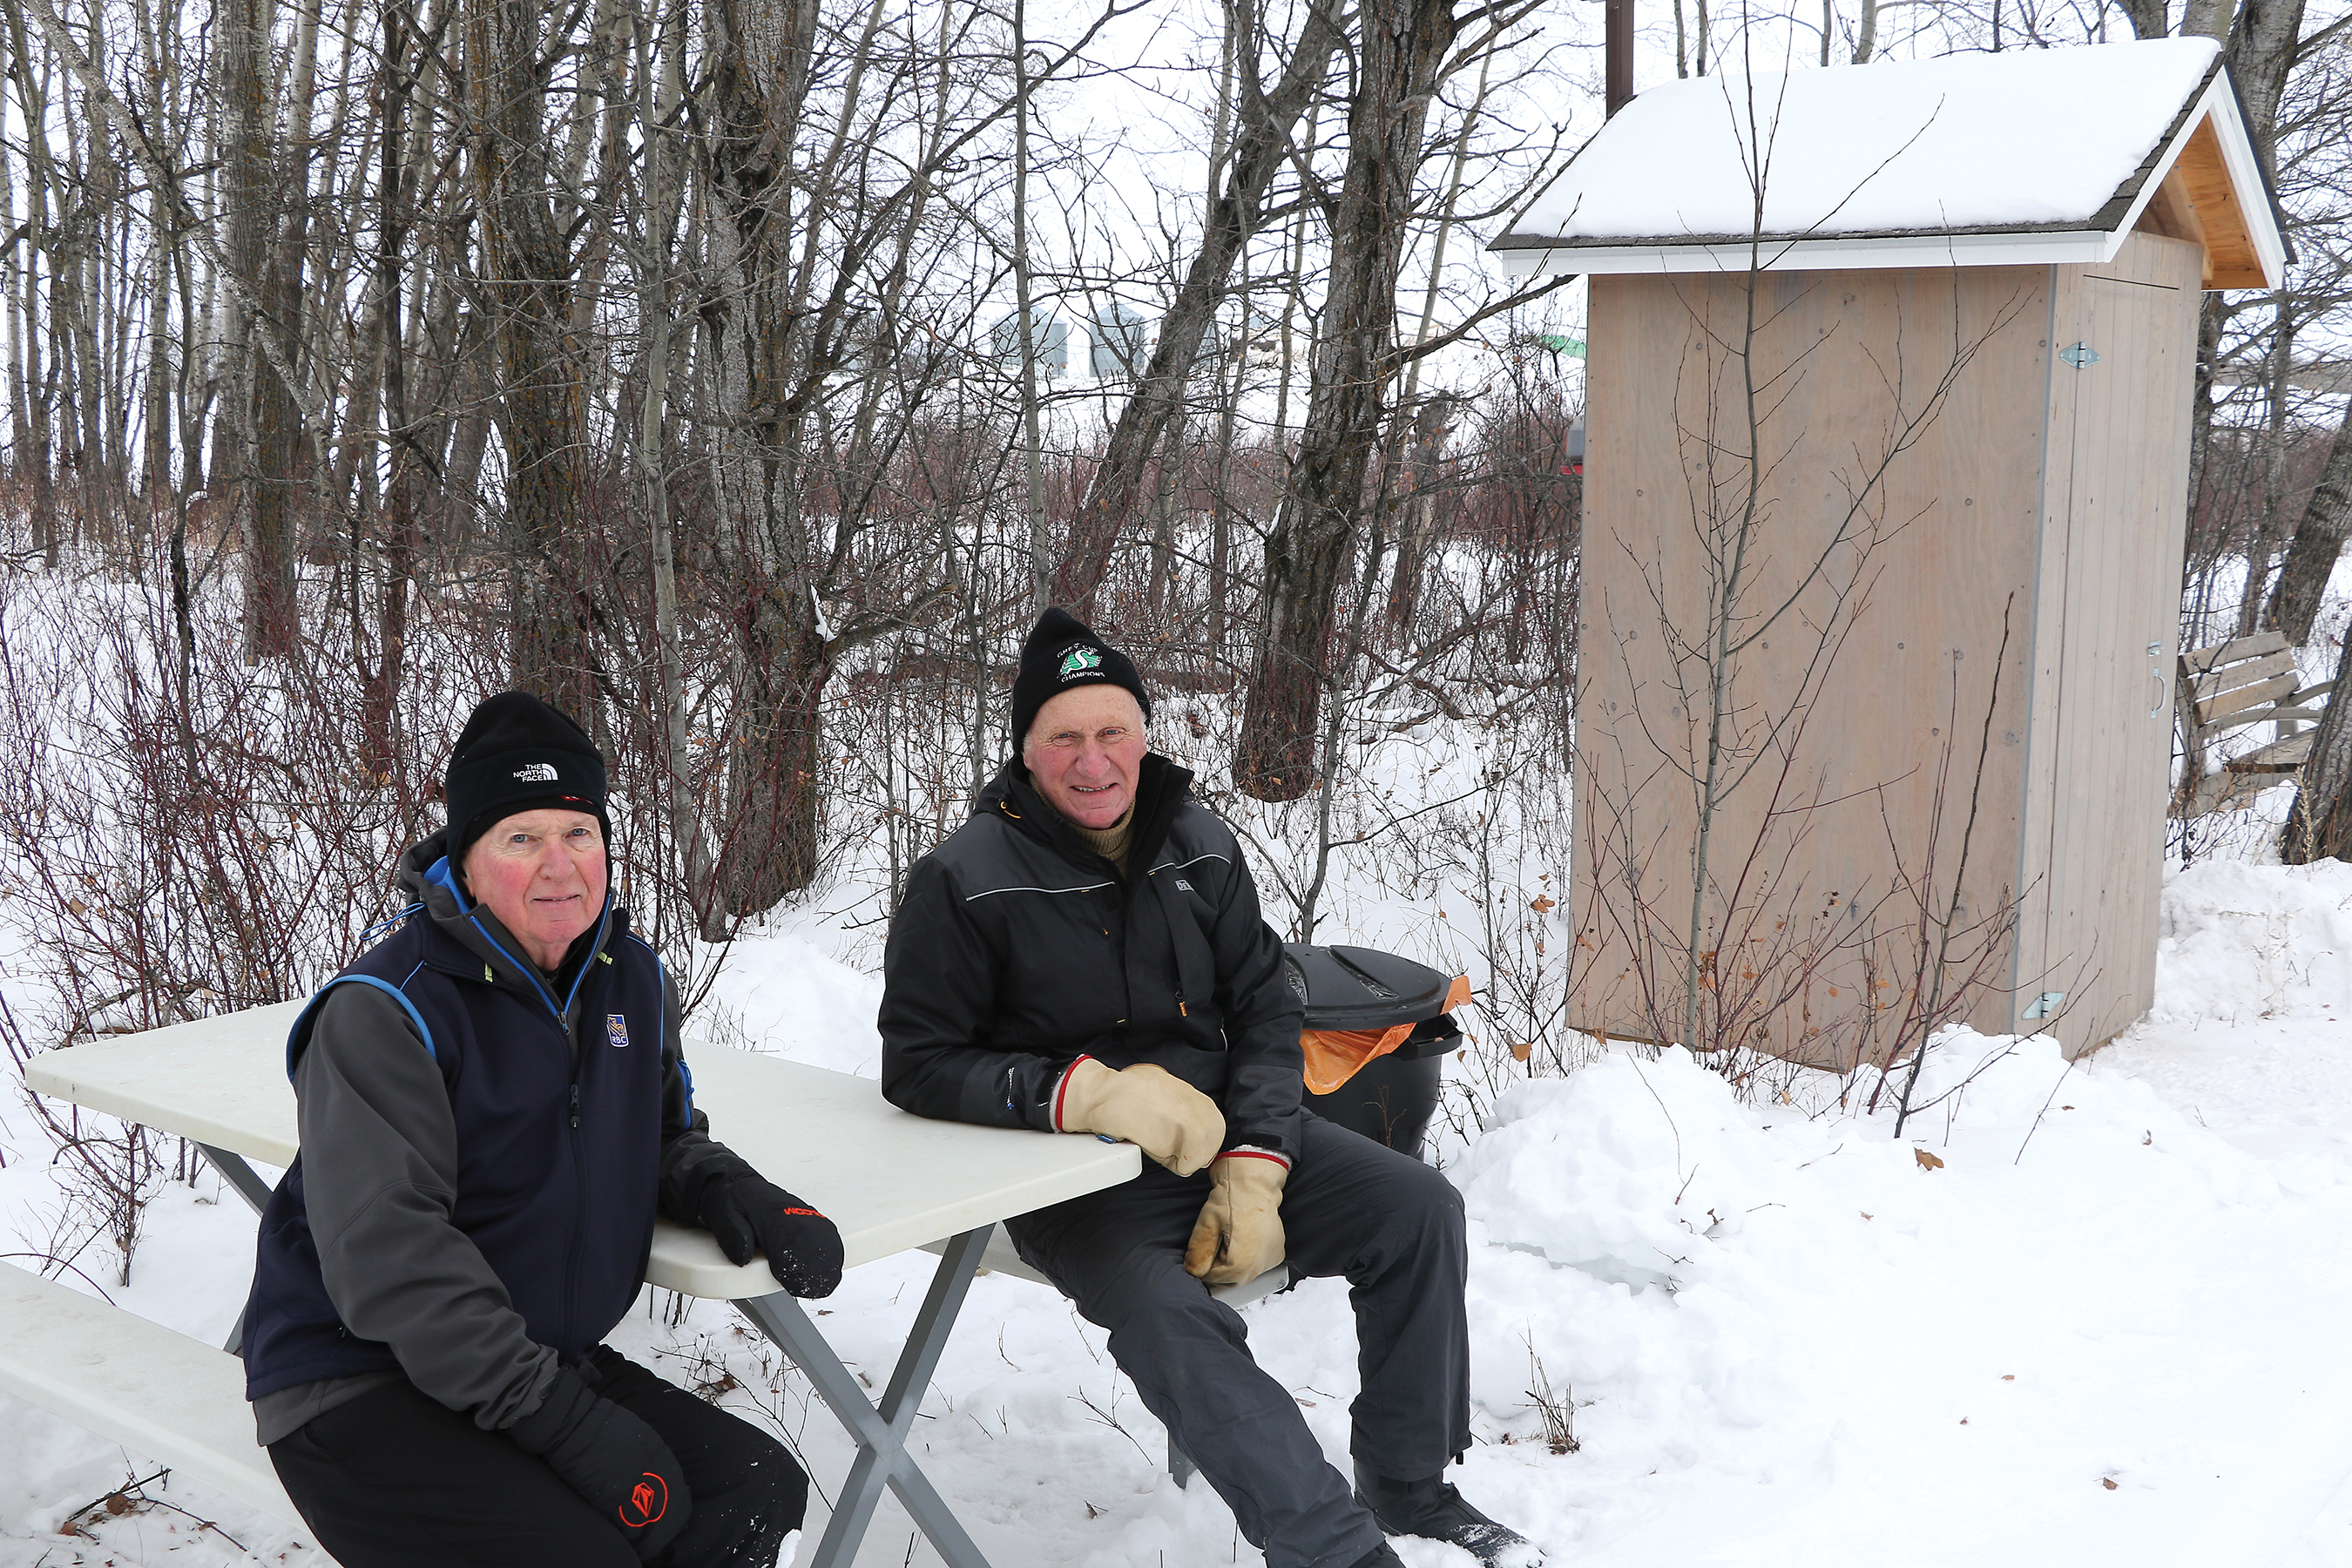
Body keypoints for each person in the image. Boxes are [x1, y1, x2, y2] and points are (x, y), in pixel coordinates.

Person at [879, 609, 1538, 1568]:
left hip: (1229, 1139)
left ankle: (1409, 1485)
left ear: (1145, 736)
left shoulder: (1198, 841)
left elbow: (1270, 1006)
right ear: (1027, 749)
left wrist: (1260, 1161)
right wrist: (1084, 1095)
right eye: (1064, 735)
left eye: (1113, 731)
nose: (1093, 759)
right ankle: (1335, 1553)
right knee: (1171, 1318)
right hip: (1077, 1184)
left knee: (1419, 1207)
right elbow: (919, 1062)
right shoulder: (963, 878)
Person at [241, 692, 841, 1568]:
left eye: (579, 834)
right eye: (521, 838)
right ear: (466, 861)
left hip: (523, 1353)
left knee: (755, 1487)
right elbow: (392, 1261)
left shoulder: (629, 977)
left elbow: (661, 1131)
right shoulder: (388, 1012)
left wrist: (726, 1183)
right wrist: (563, 1423)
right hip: (358, 1380)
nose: (559, 866)